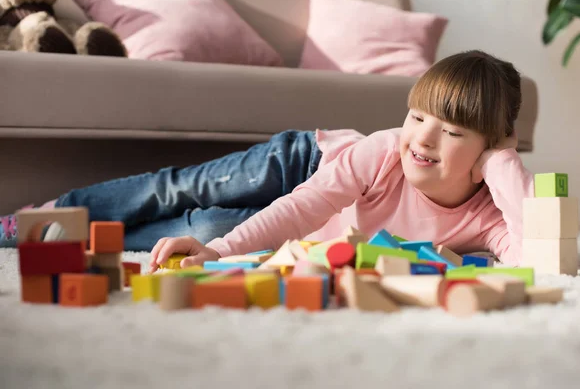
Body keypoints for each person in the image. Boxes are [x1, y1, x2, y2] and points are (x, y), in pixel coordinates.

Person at [0, 49, 533, 272]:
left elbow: (538, 254)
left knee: (206, 229)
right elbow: (304, 205)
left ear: (490, 145)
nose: (421, 139)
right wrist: (222, 252)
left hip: (319, 232)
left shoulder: (487, 215)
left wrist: (503, 167)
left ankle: (83, 237)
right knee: (183, 190)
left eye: (453, 131)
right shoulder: (383, 152)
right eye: (417, 117)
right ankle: (50, 213)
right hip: (304, 165)